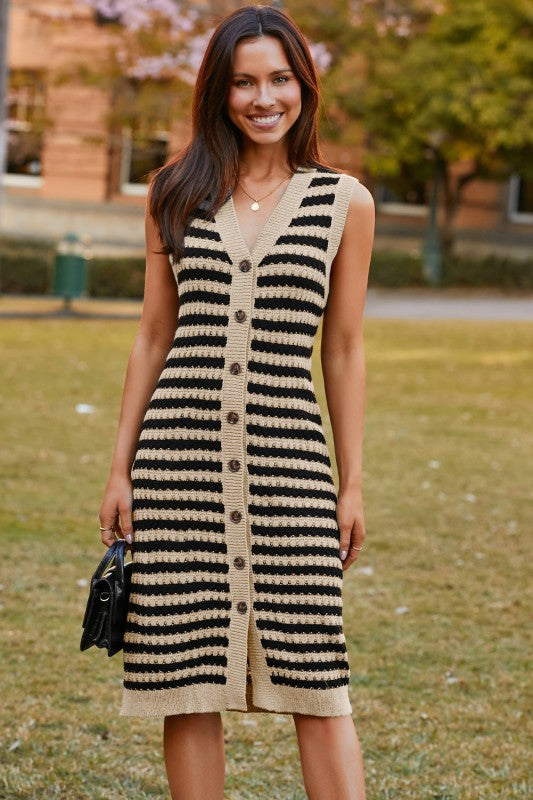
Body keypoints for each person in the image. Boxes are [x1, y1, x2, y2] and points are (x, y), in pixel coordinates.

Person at [98, 4, 374, 799]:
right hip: (175, 466)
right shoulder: (174, 193)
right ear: (219, 92)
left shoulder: (342, 203)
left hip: (291, 468)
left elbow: (344, 348)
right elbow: (153, 337)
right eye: (244, 81)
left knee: (316, 679)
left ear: (302, 87)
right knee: (184, 682)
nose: (263, 98)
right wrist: (119, 471)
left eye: (279, 78)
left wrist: (350, 483)